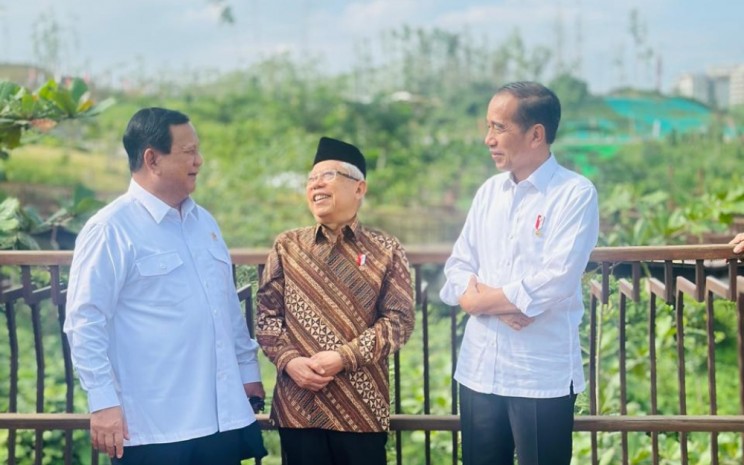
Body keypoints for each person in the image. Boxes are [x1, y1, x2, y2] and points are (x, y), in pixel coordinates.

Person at [64, 107, 267, 465]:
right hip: (154, 425)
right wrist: (103, 402)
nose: (199, 161)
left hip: (220, 416)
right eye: (189, 152)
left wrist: (247, 372)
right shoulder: (111, 229)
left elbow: (225, 306)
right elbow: (85, 320)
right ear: (152, 159)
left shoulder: (204, 222)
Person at [439, 82, 599, 465]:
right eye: (488, 127)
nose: (488, 139)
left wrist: (480, 301)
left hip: (539, 374)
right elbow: (458, 266)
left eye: (499, 127)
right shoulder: (489, 192)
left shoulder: (575, 193)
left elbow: (557, 278)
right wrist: (501, 303)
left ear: (536, 134)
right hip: (479, 369)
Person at [256, 136, 415, 465]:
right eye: (311, 180)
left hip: (360, 407)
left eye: (327, 176)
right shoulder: (288, 245)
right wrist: (290, 361)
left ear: (359, 188)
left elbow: (399, 321)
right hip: (299, 406)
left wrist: (343, 357)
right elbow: (267, 318)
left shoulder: (386, 248)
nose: (316, 185)